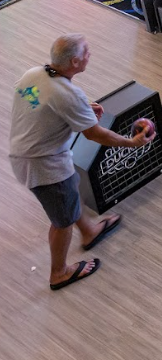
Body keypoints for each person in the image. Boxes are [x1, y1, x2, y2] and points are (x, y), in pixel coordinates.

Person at [9, 34, 153, 290]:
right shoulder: (68, 95)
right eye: (86, 52)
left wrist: (83, 107)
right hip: (44, 167)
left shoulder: (35, 74)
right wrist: (132, 143)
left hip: (26, 154)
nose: (90, 55)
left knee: (70, 192)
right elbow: (95, 134)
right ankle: (59, 273)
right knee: (62, 220)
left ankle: (88, 232)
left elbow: (49, 102)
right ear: (75, 62)